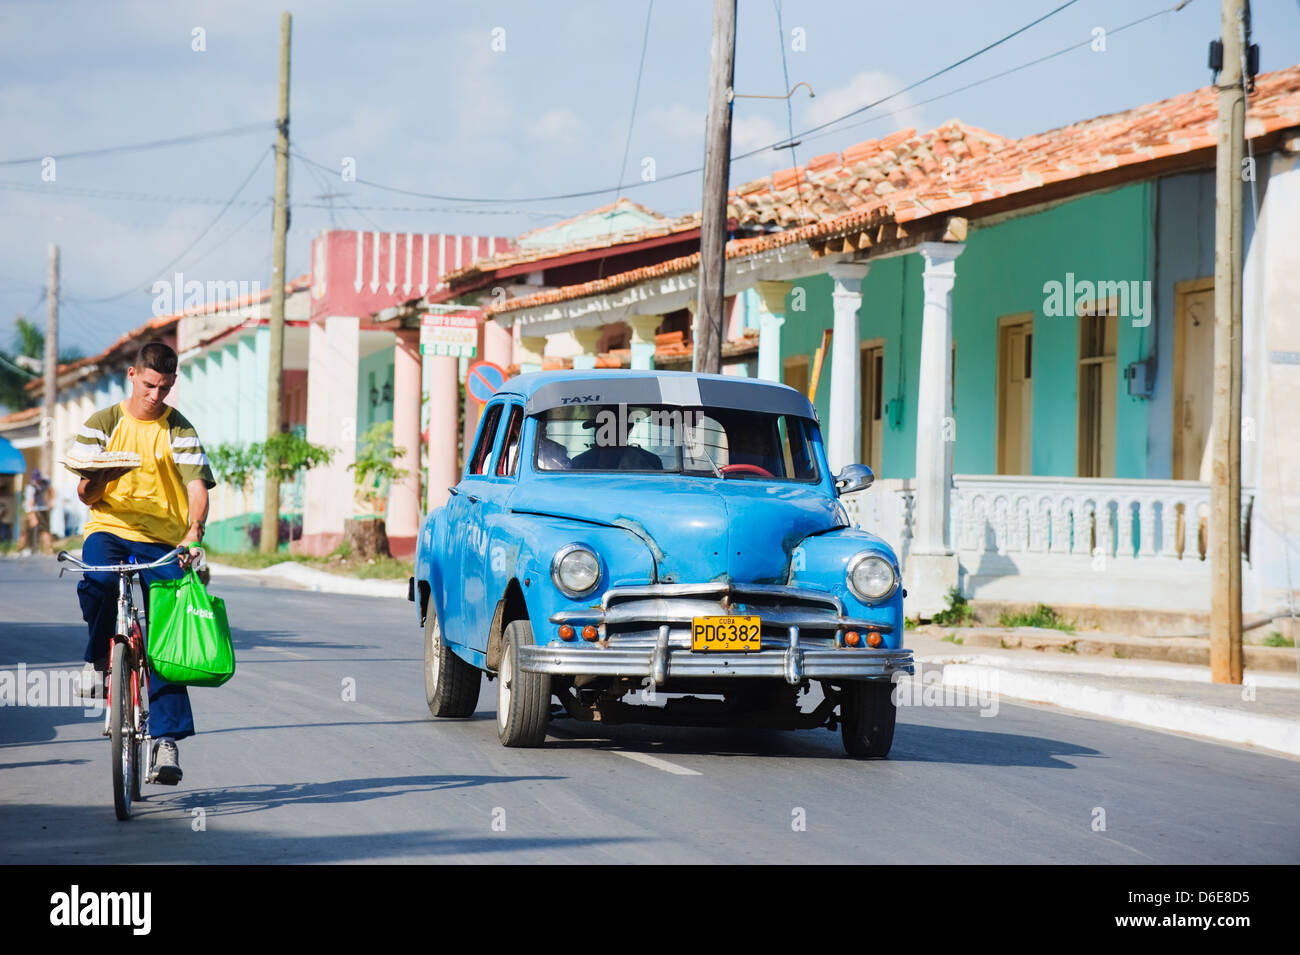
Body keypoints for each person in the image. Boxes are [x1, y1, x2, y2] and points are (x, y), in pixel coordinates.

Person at [74, 341, 215, 785]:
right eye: (150, 384)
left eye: (166, 388)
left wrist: (194, 531)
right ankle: (99, 660)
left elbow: (197, 486)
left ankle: (166, 743)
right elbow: (84, 493)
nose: (156, 395)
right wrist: (101, 477)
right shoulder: (103, 423)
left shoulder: (180, 430)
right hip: (110, 529)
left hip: (164, 540)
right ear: (132, 376)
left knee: (170, 637)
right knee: (95, 581)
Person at [23, 470, 52, 554]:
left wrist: (50, 502)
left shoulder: (45, 481)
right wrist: (32, 515)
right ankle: (31, 548)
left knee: (45, 530)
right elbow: (30, 502)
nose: (37, 481)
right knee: (31, 529)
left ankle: (48, 550)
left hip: (42, 508)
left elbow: (51, 491)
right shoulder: (30, 487)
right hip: (31, 509)